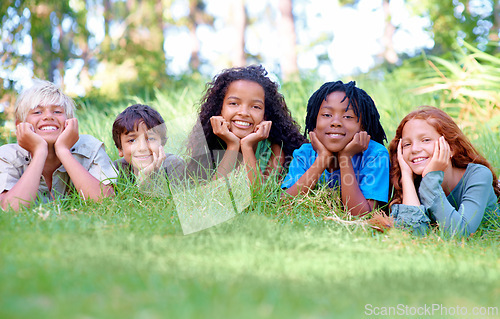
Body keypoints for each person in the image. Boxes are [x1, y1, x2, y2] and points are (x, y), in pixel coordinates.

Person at [0, 79, 116, 211]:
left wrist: (63, 151)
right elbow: (11, 209)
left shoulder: (90, 148)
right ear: (19, 125)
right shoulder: (7, 156)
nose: (48, 116)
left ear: (69, 121)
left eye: (57, 112)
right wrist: (39, 152)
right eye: (37, 112)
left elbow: (106, 202)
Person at [282, 80, 389, 216]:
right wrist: (322, 159)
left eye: (348, 116)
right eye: (327, 115)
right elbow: (285, 204)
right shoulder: (305, 153)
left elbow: (360, 215)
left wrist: (345, 158)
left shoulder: (375, 155)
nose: (336, 122)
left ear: (363, 126)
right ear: (314, 122)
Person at [389, 106, 500, 237]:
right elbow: (414, 234)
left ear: (451, 147)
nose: (414, 149)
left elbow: (461, 233)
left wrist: (430, 180)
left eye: (426, 140)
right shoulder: (414, 180)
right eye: (406, 144)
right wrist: (406, 176)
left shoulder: (478, 175)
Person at [186, 65, 305, 184]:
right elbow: (215, 195)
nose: (244, 113)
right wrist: (232, 146)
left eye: (255, 107)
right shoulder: (210, 144)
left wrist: (247, 146)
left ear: (266, 115)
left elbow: (259, 197)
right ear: (219, 109)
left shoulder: (274, 151)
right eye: (233, 103)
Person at [112, 104, 185, 186]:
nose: (142, 148)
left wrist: (146, 179)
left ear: (162, 143)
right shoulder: (116, 171)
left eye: (150, 138)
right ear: (120, 149)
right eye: (132, 140)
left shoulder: (174, 165)